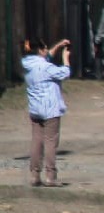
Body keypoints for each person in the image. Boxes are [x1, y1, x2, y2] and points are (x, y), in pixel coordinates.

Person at [22, 36, 71, 188]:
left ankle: (35, 175)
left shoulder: (27, 65)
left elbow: (47, 56)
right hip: (50, 109)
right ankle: (51, 176)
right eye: (45, 49)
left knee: (36, 142)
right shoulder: (46, 68)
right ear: (40, 51)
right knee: (51, 142)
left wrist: (58, 45)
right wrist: (66, 58)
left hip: (35, 109)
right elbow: (65, 73)